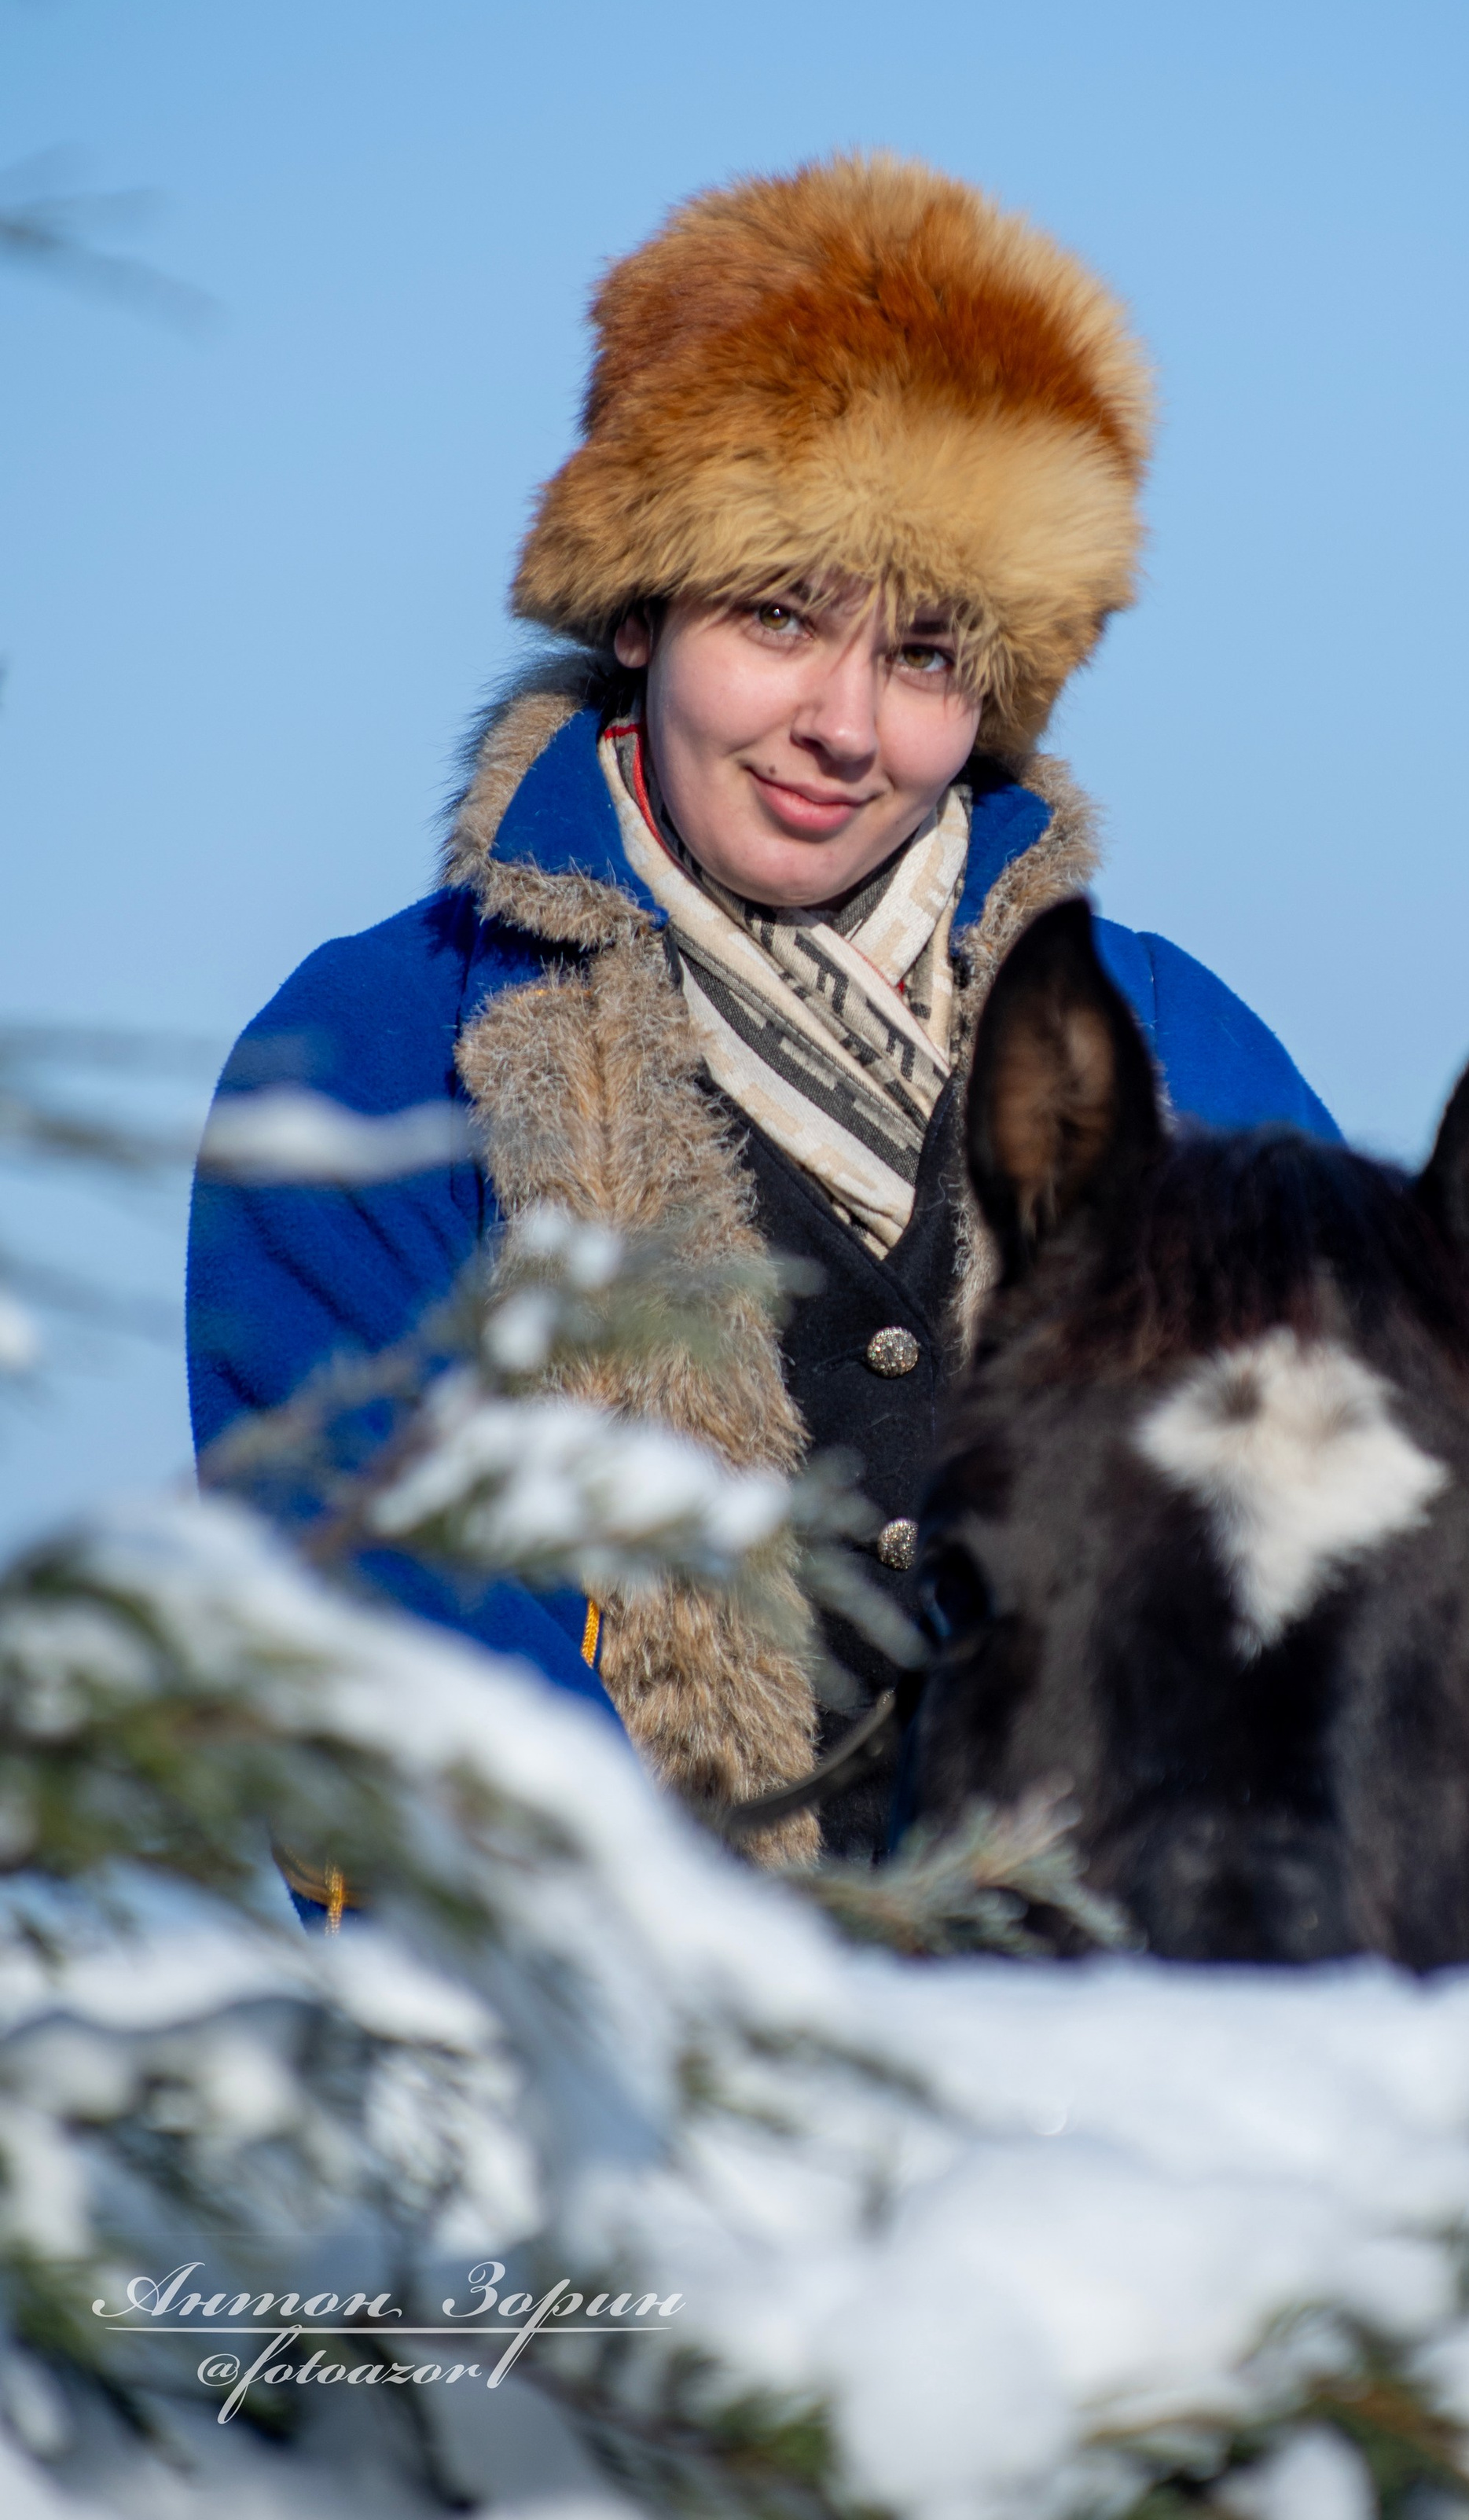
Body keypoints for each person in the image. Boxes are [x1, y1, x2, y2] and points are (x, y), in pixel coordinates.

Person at [186, 152, 1338, 1860]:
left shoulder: (1179, 1053)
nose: (846, 726)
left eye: (928, 656)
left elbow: (1363, 1577)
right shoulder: (384, 1051)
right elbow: (369, 1655)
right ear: (641, 604)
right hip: (642, 2068)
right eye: (780, 616)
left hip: (1131, 2051)